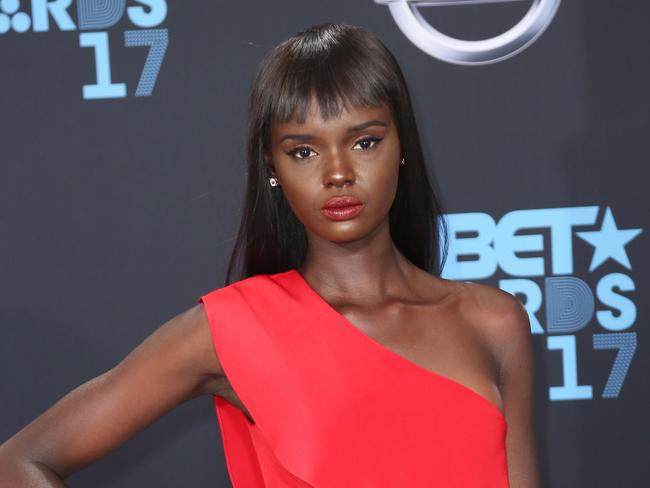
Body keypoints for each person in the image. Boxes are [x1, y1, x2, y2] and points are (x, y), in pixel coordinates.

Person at [0, 22, 538, 487]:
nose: (337, 172)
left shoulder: (494, 321)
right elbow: (20, 462)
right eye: (303, 150)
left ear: (402, 146)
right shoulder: (235, 328)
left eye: (365, 141)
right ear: (273, 167)